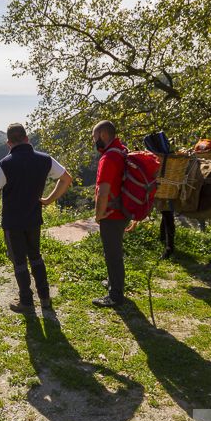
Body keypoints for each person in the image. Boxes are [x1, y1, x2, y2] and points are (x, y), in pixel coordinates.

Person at [0, 123, 72, 313]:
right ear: (27, 138)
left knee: (19, 261)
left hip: (12, 221)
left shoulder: (5, 164)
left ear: (9, 143)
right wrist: (49, 199)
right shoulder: (45, 159)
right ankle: (45, 297)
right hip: (34, 218)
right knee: (36, 257)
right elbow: (66, 179)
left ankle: (26, 301)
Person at [92, 120, 129, 308]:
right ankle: (114, 282)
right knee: (115, 251)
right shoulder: (122, 151)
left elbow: (103, 192)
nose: (94, 141)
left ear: (104, 135)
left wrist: (98, 216)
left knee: (112, 254)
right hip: (123, 210)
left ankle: (115, 296)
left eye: (95, 137)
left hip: (111, 214)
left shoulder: (108, 158)